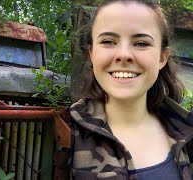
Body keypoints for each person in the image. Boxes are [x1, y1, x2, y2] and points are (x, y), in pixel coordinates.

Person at [70, 0, 193, 179]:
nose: (124, 55)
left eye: (141, 43)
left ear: (162, 58)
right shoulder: (63, 134)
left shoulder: (188, 133)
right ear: (91, 54)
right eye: (108, 41)